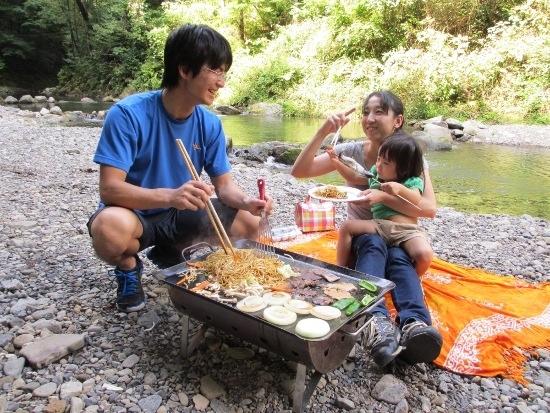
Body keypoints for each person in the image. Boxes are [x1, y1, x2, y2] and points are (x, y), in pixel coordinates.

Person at [87, 24, 272, 313]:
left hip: (181, 214)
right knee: (109, 229)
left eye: (224, 72)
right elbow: (110, 189)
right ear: (184, 70)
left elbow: (224, 187)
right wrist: (170, 196)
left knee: (250, 223)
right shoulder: (127, 114)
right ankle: (128, 266)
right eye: (215, 70)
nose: (221, 82)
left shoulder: (209, 123)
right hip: (136, 215)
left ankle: (173, 253)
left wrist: (249, 202)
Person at [291, 90, 442, 367]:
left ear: (398, 120)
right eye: (366, 112)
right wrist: (325, 130)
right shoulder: (351, 151)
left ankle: (415, 326)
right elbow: (299, 171)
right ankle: (377, 321)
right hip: (366, 237)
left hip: (399, 237)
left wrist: (386, 197)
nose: (369, 119)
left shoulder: (409, 156)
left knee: (398, 258)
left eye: (379, 112)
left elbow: (428, 209)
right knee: (373, 244)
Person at [334, 132, 434, 276]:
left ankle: (416, 276)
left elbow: (415, 199)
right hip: (379, 225)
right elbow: (353, 176)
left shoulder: (412, 180)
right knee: (346, 227)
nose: (379, 165)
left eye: (385, 163)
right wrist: (336, 162)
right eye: (378, 159)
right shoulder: (376, 173)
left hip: (406, 230)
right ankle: (341, 268)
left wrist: (399, 188)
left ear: (403, 168)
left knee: (424, 254)